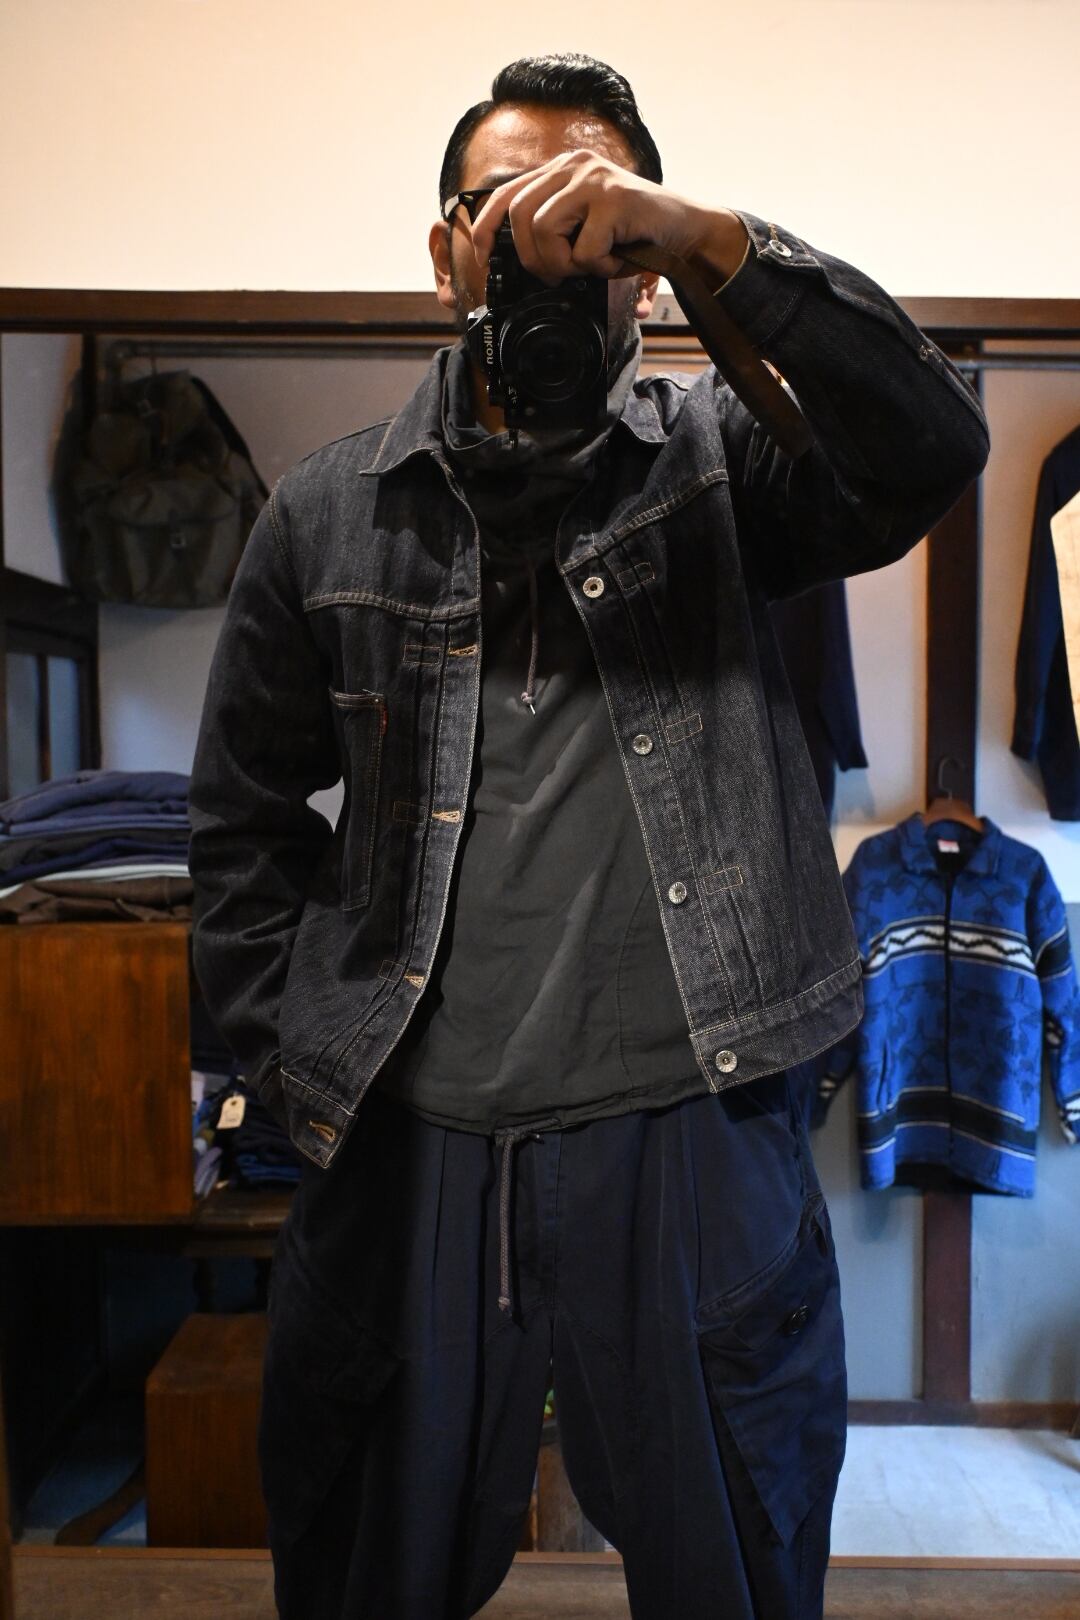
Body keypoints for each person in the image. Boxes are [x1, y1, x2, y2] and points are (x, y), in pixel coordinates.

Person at [187, 52, 990, 1620]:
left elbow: (926, 447)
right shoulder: (328, 512)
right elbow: (243, 821)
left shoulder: (735, 471)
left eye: (599, 224)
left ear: (645, 273)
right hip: (414, 1148)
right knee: (363, 1568)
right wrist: (297, 1070)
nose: (556, 255)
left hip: (689, 1137)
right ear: (445, 256)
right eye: (510, 216)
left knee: (735, 1567)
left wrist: (713, 238)